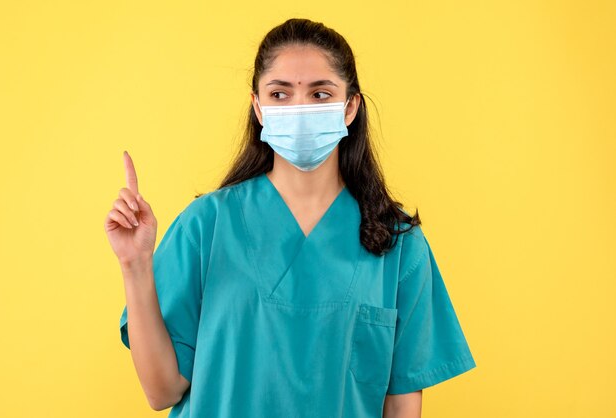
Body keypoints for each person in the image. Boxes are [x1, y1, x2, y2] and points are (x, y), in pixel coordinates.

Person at [104, 18, 476, 418]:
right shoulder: (206, 226)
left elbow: (402, 403)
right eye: (280, 94)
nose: (300, 109)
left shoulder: (397, 242)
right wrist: (135, 264)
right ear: (258, 107)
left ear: (350, 107)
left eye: (320, 94)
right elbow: (162, 391)